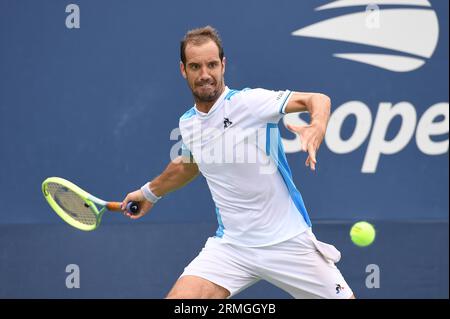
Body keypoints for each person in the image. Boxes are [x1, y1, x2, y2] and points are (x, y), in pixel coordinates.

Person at [121, 26, 354, 299]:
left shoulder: (250, 103)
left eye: (211, 65)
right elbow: (187, 164)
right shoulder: (188, 123)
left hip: (288, 241)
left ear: (223, 65)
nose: (205, 74)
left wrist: (317, 127)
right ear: (183, 70)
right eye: (195, 66)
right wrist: (149, 193)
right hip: (232, 247)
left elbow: (317, 99)